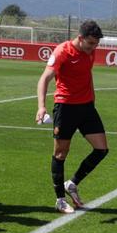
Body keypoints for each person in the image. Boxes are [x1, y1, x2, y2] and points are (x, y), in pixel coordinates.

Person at [37, 20, 109, 213]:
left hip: (86, 108)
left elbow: (87, 75)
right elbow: (44, 78)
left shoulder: (90, 51)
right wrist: (41, 107)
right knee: (61, 153)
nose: (94, 48)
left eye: (96, 44)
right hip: (66, 107)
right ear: (80, 38)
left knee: (101, 149)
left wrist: (92, 101)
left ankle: (72, 184)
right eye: (91, 43)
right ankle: (60, 199)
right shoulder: (62, 51)